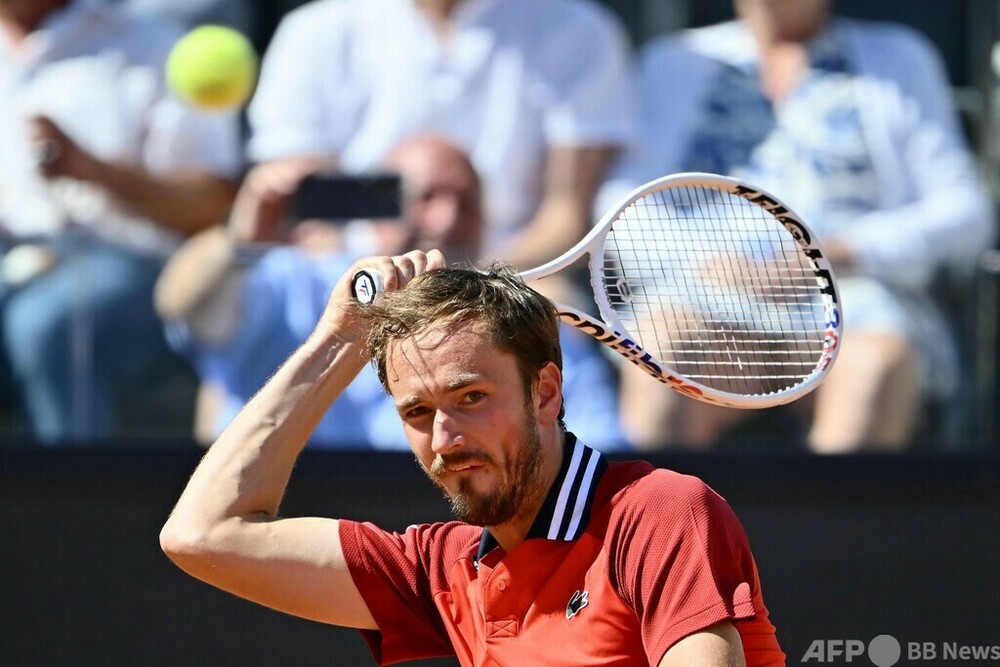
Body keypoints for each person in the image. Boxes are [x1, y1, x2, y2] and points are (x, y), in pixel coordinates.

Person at [160, 249, 785, 665]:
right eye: (416, 413)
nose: (444, 437)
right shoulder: (439, 571)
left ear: (544, 392)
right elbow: (204, 534)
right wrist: (339, 339)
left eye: (471, 397)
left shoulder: (659, 514)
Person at [605, 0, 996, 453]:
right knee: (658, 351)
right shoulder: (672, 63)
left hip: (854, 296)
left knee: (875, 366)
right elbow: (621, 204)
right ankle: (670, 524)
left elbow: (966, 211)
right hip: (702, 292)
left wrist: (843, 252)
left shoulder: (900, 58)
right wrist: (713, 265)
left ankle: (837, 523)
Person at [154, 135, 625, 449]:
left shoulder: (524, 321)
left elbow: (597, 443)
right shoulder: (299, 281)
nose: (445, 220)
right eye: (427, 198)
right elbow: (183, 304)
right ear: (379, 207)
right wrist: (241, 239)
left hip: (444, 546)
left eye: (466, 202)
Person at [235, 0, 635, 269]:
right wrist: (373, 286)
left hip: (514, 285)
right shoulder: (313, 31)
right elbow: (303, 213)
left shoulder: (578, 29)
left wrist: (473, 287)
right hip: (347, 279)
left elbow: (564, 217)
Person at [0, 0, 241, 442]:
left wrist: (92, 169)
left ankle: (70, 503)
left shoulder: (155, 46)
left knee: (51, 328)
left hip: (133, 267)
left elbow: (210, 202)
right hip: (13, 259)